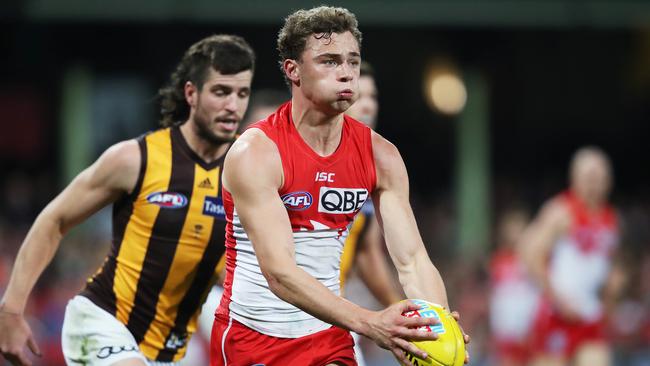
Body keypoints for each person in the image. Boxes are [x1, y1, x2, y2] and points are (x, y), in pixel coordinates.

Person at [212, 6, 467, 366]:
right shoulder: (256, 153)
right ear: (293, 70)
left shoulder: (382, 157)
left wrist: (437, 327)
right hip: (254, 337)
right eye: (329, 61)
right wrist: (371, 323)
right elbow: (280, 274)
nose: (346, 73)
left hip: (328, 336)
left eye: (352, 61)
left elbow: (412, 261)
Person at [0, 34, 255, 366]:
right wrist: (11, 310)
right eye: (221, 92)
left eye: (242, 94)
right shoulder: (136, 159)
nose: (233, 106)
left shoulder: (248, 170)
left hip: (172, 349)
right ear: (191, 93)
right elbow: (55, 219)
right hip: (104, 322)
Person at [520, 146, 623, 366]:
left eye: (600, 177)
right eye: (589, 177)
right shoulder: (560, 211)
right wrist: (557, 297)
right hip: (557, 314)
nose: (595, 184)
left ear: (609, 181)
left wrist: (612, 290)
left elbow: (610, 262)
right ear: (575, 178)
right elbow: (528, 254)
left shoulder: (611, 218)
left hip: (590, 313)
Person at [341, 61, 403, 366]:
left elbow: (367, 252)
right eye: (358, 96)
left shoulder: (373, 164)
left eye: (372, 97)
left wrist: (403, 312)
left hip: (333, 312)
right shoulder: (303, 158)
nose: (367, 105)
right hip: (278, 313)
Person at [488, 207, 539, 366]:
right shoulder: (498, 259)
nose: (516, 235)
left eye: (520, 230)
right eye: (512, 230)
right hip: (506, 325)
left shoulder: (534, 260)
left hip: (529, 323)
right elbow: (496, 294)